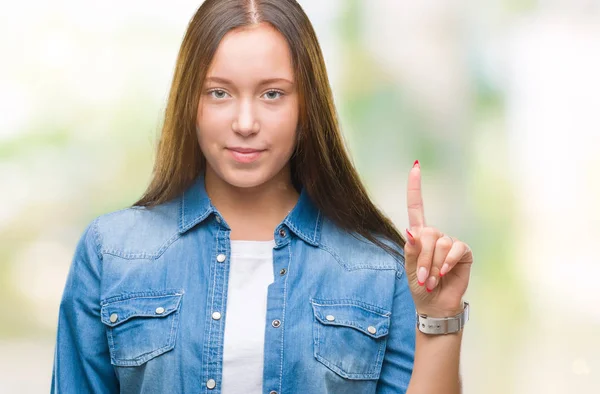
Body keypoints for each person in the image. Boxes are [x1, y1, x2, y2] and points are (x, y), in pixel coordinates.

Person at [51, 0, 474, 393]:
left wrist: (440, 318)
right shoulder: (112, 253)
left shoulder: (379, 265)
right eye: (219, 92)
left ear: (306, 107)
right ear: (189, 103)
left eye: (272, 94)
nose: (246, 122)